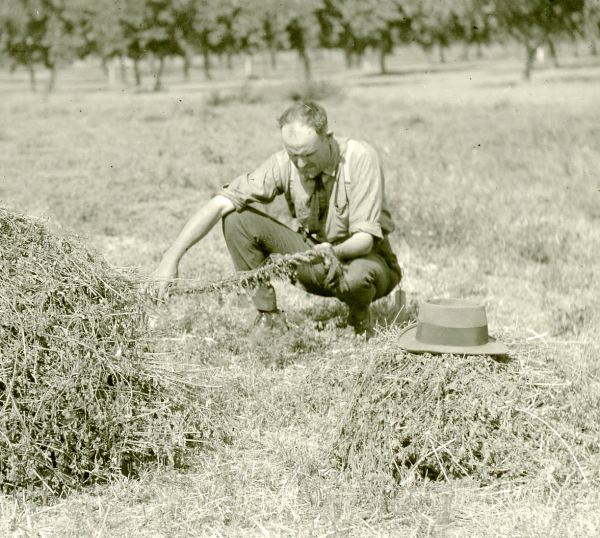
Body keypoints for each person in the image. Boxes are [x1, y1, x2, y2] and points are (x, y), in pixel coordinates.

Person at [150, 101, 401, 336]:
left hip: (365, 261)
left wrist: (331, 252)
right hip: (314, 259)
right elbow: (218, 204)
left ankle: (359, 317)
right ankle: (268, 319)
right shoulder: (283, 163)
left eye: (308, 154)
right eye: (293, 155)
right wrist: (170, 259)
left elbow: (365, 240)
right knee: (237, 218)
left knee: (356, 278)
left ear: (328, 137)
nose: (301, 164)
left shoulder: (360, 157)